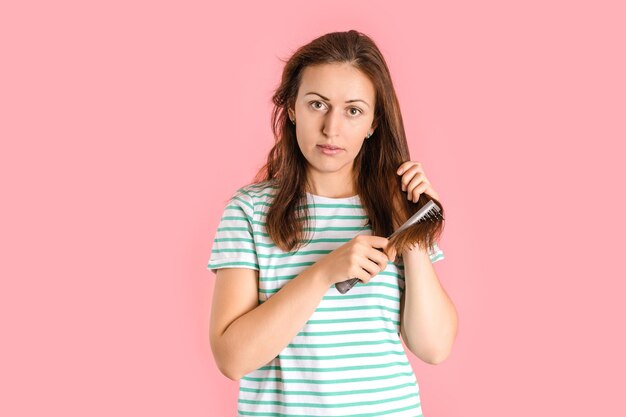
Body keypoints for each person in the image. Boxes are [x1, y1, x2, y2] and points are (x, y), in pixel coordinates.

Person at [207, 30, 458, 417]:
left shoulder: (394, 210)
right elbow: (232, 358)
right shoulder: (249, 212)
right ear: (292, 108)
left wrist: (411, 229)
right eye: (317, 105)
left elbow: (435, 347)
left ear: (374, 122)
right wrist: (324, 271)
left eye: (353, 110)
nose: (331, 128)